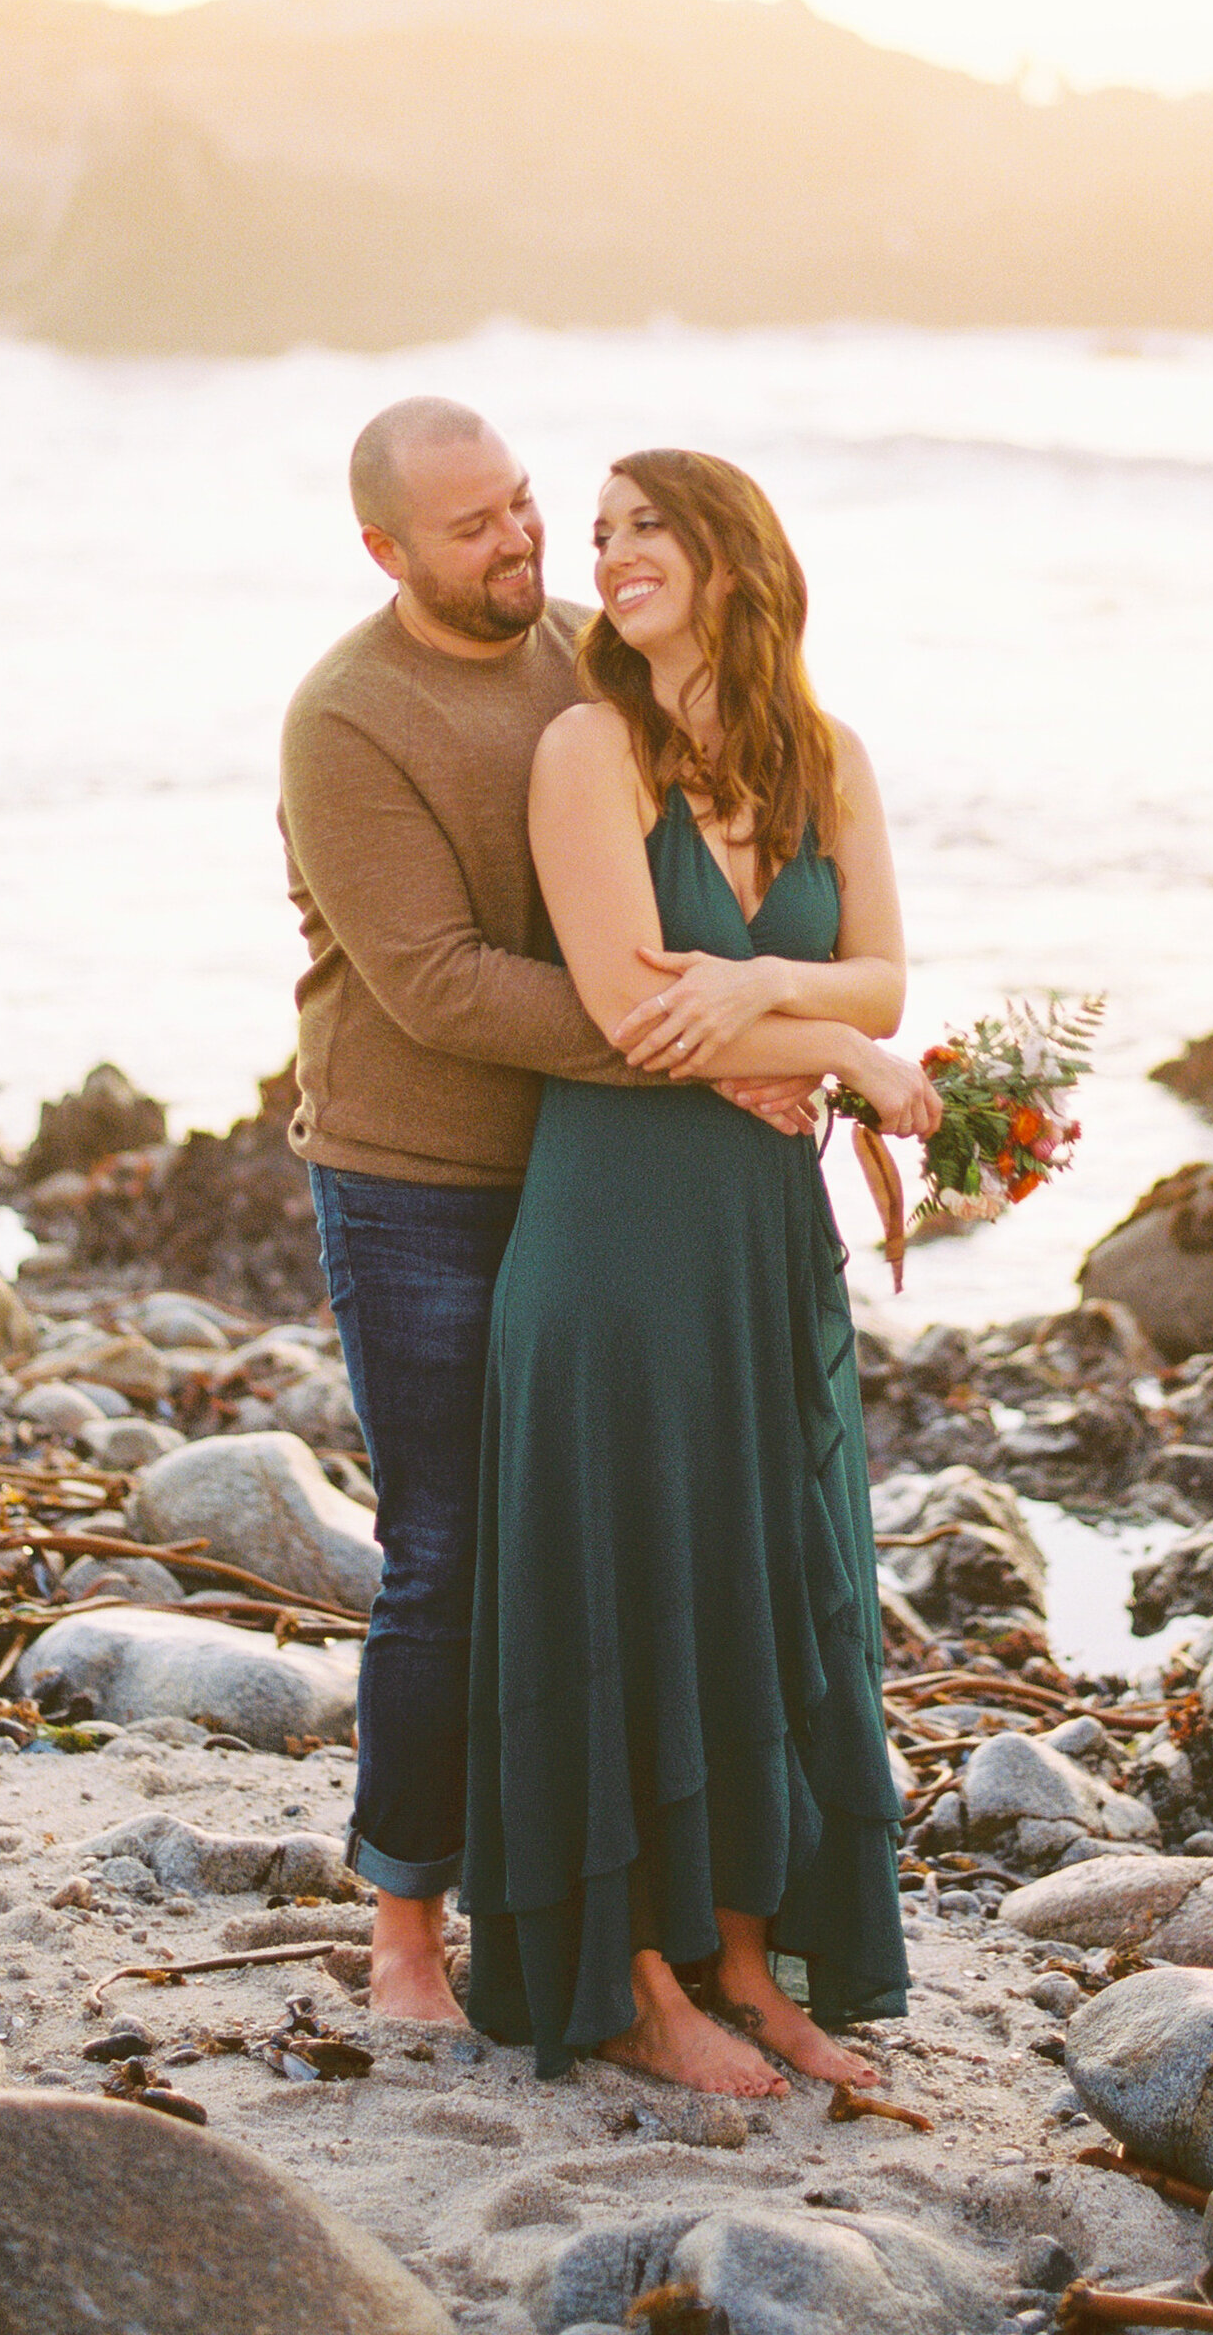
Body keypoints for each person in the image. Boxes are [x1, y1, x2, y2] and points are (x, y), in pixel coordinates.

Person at [278, 398, 808, 2023]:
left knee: (605, 1555)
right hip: (420, 1182)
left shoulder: (591, 652)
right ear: (386, 550)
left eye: (524, 506)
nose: (519, 543)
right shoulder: (346, 719)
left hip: (603, 1179)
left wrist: (766, 1025)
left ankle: (599, 1917)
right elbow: (434, 986)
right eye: (473, 528)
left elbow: (722, 856)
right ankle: (403, 1933)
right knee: (449, 1556)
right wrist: (711, 1056)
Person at [462, 448, 942, 2093]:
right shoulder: (588, 748)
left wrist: (777, 1015)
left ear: (735, 552)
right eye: (601, 536)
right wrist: (841, 1053)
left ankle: (753, 1967)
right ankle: (644, 1983)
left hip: (758, 1240)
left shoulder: (831, 758)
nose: (611, 552)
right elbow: (620, 998)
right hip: (610, 1235)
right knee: (629, 1591)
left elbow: (880, 979)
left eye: (645, 525)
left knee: (757, 1587)